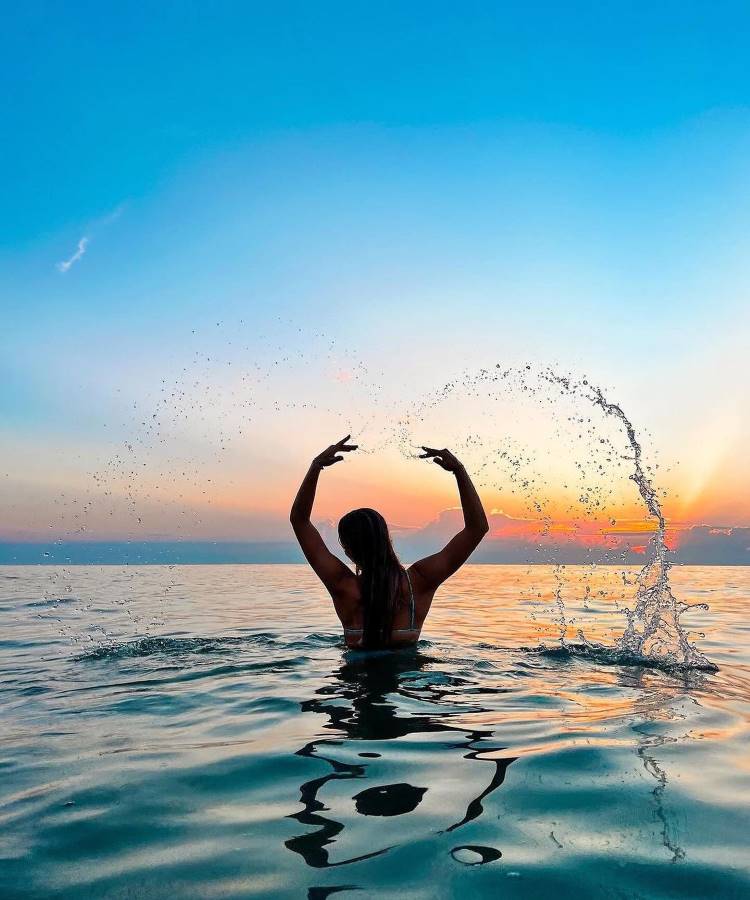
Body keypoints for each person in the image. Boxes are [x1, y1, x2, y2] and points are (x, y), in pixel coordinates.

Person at [289, 435, 489, 649]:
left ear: (348, 550)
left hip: (355, 681)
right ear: (387, 538)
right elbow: (477, 529)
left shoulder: (343, 586)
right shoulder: (419, 582)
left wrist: (316, 466)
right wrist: (458, 470)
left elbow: (299, 521)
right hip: (408, 681)